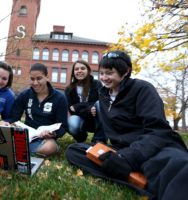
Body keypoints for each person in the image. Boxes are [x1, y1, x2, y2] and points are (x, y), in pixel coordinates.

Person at [65, 50, 188, 200]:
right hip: (122, 150)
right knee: (74, 151)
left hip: (153, 148)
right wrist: (118, 156)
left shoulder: (143, 89)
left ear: (126, 71)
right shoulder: (103, 95)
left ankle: (140, 177)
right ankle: (134, 177)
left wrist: (128, 158)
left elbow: (159, 131)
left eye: (109, 73)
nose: (104, 78)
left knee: (179, 165)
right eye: (101, 73)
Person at [0, 63, 68, 157]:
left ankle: (20, 148)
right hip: (27, 134)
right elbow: (14, 117)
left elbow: (63, 126)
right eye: (32, 79)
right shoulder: (25, 95)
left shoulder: (60, 98)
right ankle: (25, 148)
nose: (35, 83)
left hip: (46, 138)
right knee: (3, 130)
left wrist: (53, 133)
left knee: (49, 147)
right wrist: (5, 122)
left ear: (47, 77)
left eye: (39, 78)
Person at [64, 59, 105, 143]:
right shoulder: (69, 89)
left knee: (99, 105)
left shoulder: (97, 84)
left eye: (82, 68)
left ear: (88, 70)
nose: (79, 71)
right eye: (76, 69)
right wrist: (88, 109)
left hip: (95, 119)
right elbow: (71, 110)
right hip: (81, 118)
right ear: (73, 72)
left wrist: (78, 106)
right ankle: (81, 138)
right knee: (72, 122)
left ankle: (99, 140)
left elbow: (102, 102)